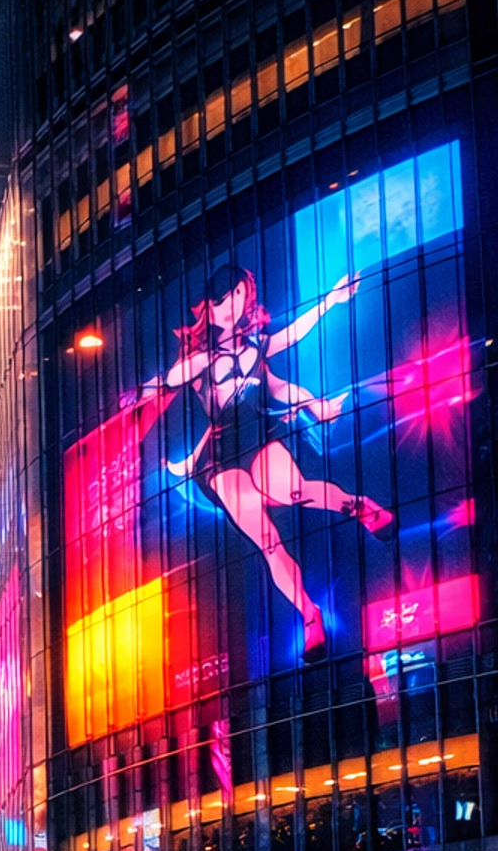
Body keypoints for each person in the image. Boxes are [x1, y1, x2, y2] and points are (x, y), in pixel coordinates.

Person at [128, 261, 384, 653]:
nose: (231, 304)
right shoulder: (200, 360)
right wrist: (132, 398)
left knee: (294, 490)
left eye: (238, 295)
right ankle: (309, 615)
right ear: (209, 308)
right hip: (220, 457)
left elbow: (291, 341)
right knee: (268, 542)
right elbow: (164, 382)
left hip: (258, 437)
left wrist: (331, 302)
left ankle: (358, 506)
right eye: (223, 299)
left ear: (247, 297)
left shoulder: (257, 347)